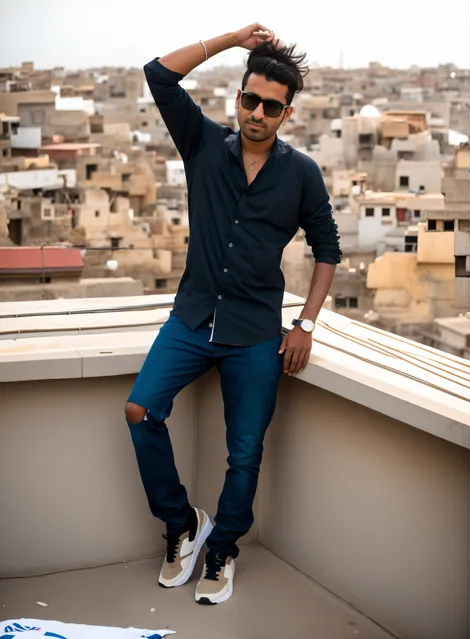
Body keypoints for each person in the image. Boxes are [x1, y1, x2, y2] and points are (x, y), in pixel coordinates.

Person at [125, 23, 341, 606]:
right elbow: (158, 74)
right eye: (250, 99)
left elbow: (328, 248)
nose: (258, 113)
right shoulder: (202, 144)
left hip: (253, 334)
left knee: (244, 452)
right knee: (141, 410)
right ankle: (181, 526)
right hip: (192, 319)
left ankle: (221, 550)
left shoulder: (301, 174)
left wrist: (307, 325)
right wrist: (235, 39)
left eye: (272, 106)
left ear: (286, 113)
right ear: (238, 97)